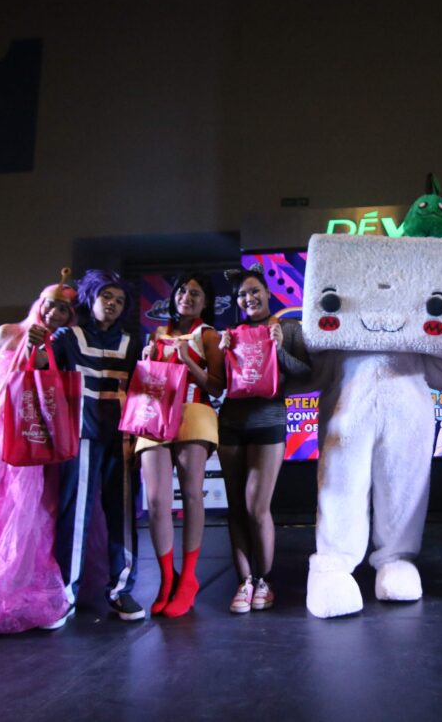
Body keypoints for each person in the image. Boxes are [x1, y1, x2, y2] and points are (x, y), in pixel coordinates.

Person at [33, 269, 143, 625]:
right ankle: (65, 593)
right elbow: (40, 366)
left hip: (122, 439)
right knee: (75, 515)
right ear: (91, 299)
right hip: (82, 436)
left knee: (123, 515)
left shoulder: (133, 342)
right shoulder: (69, 337)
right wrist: (36, 341)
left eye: (119, 300)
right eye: (105, 297)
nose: (111, 304)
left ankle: (121, 589)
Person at [218, 265, 310, 614]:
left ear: (268, 293)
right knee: (236, 507)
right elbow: (222, 383)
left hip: (269, 422)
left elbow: (308, 373)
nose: (249, 298)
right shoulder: (232, 333)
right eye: (242, 295)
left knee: (257, 507)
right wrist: (223, 353)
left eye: (254, 291)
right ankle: (244, 581)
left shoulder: (288, 327)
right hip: (230, 423)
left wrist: (279, 348)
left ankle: (264, 580)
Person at [138, 273, 223, 618]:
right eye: (182, 291)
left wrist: (188, 359)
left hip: (194, 410)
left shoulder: (209, 335)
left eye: (195, 293)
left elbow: (216, 386)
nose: (187, 297)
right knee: (157, 501)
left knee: (191, 495)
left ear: (206, 302)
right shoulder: (156, 334)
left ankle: (188, 578)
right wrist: (147, 361)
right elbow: (147, 382)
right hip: (156, 414)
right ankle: (166, 580)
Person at [0, 276, 76, 632]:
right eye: (51, 304)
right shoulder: (7, 332)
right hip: (3, 434)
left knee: (28, 514)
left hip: (29, 442)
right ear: (39, 302)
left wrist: (39, 356)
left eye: (64, 309)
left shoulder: (57, 348)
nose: (55, 313)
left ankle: (18, 591)